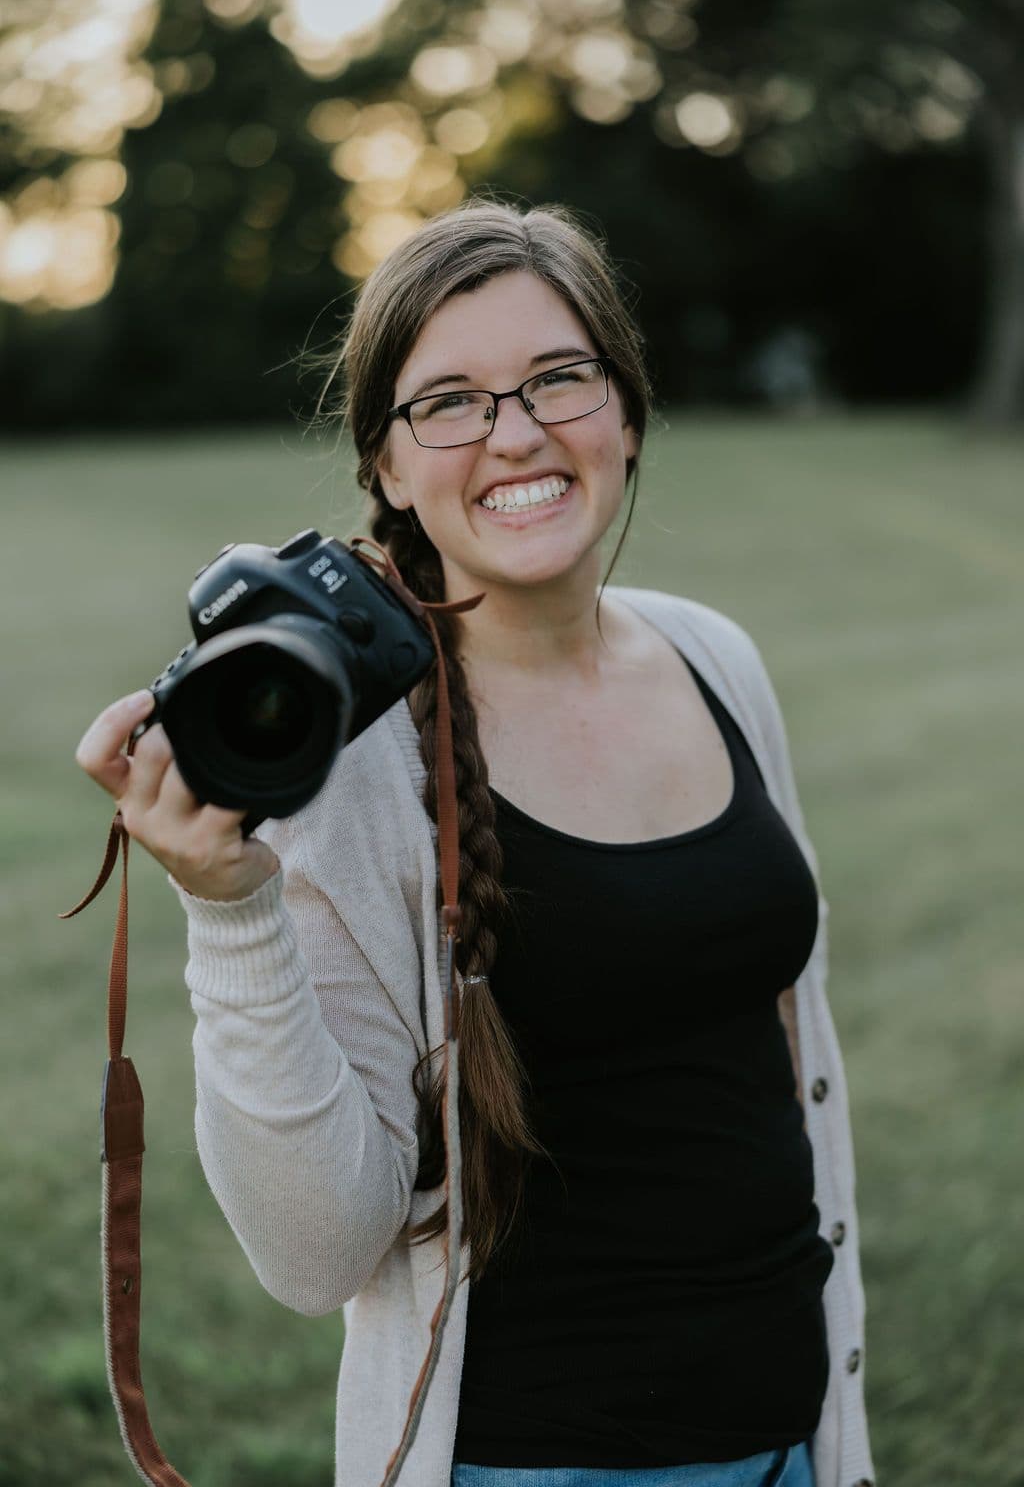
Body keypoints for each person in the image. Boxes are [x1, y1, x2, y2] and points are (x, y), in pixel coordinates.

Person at [75, 198, 875, 1487]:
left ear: (626, 406)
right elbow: (316, 1253)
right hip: (532, 1461)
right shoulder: (355, 766)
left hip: (796, 1432)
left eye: (559, 377)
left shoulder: (716, 656)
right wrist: (230, 910)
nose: (515, 434)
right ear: (387, 466)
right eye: (447, 401)